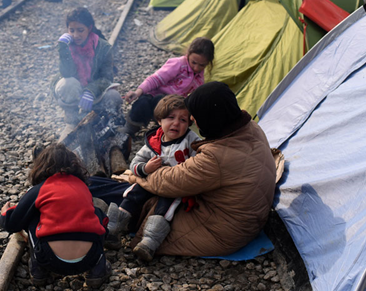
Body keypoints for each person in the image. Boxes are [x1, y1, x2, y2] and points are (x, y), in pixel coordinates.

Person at [128, 82, 276, 258]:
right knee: (147, 195)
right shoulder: (249, 126)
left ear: (210, 119)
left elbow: (169, 182)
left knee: (145, 204)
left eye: (194, 117)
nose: (193, 121)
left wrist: (139, 173)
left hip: (222, 230)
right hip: (246, 216)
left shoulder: (216, 157)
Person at [0, 143, 112, 287]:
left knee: (33, 216)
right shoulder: (83, 187)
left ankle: (38, 271)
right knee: (96, 214)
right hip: (90, 257)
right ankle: (98, 269)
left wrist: (5, 213)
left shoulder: (39, 189)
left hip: (49, 259)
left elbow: (13, 224)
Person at [104, 95, 200, 259]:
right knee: (133, 193)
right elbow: (135, 163)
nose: (176, 123)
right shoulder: (155, 141)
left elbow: (200, 160)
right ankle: (113, 228)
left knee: (166, 208)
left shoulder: (191, 140)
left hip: (174, 186)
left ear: (189, 123)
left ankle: (149, 242)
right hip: (153, 181)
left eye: (183, 120)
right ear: (159, 120)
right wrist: (145, 168)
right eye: (171, 118)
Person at [122, 37, 214, 136]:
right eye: (194, 62)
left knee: (178, 113)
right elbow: (155, 79)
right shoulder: (178, 64)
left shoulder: (199, 78)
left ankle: (162, 133)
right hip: (154, 99)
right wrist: (138, 92)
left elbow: (195, 98)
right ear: (188, 54)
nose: (196, 68)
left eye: (202, 65)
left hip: (174, 105)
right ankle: (129, 130)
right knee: (142, 104)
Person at [53, 7, 123, 138]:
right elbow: (66, 73)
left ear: (89, 28)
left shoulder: (103, 47)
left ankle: (108, 123)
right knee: (66, 83)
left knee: (114, 95)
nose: (75, 35)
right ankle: (72, 122)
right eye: (71, 30)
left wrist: (90, 91)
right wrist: (63, 49)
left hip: (96, 94)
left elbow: (107, 77)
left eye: (80, 30)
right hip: (74, 93)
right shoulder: (66, 44)